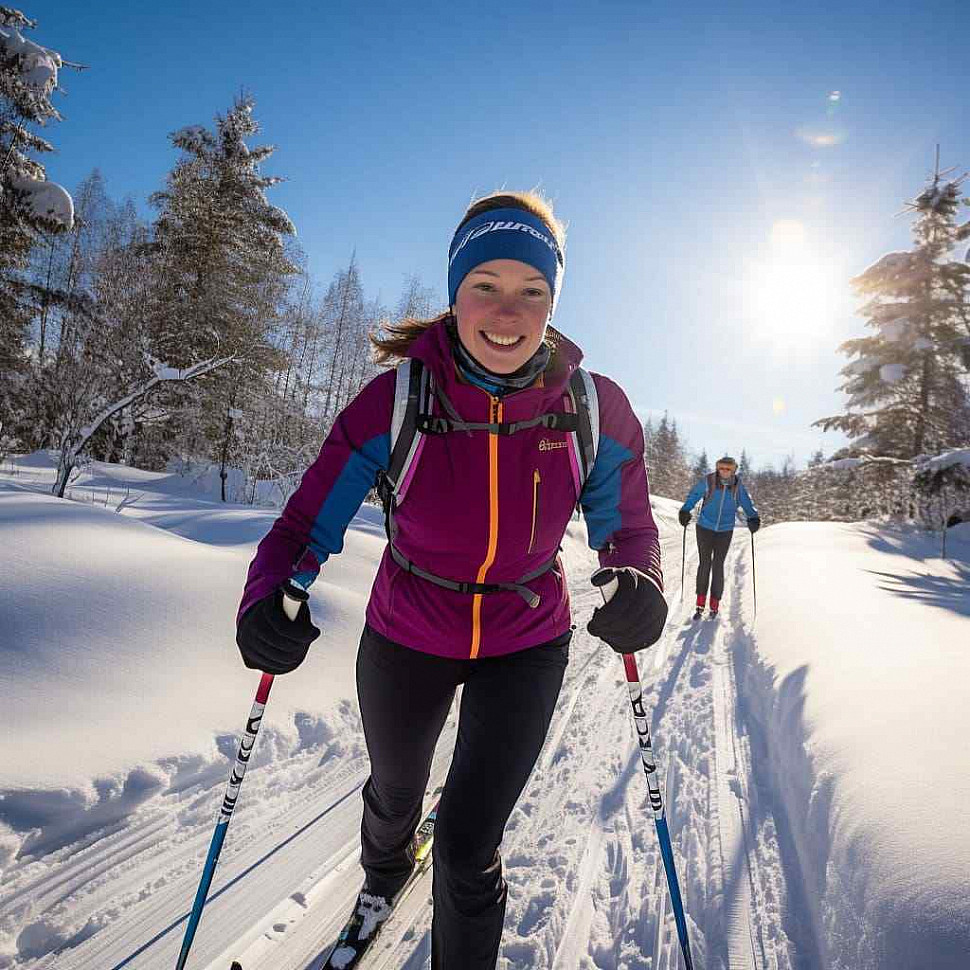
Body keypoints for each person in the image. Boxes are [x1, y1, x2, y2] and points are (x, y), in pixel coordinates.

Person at [235, 190, 668, 969]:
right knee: (395, 795)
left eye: (531, 291)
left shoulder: (593, 409)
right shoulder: (395, 401)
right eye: (486, 287)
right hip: (408, 630)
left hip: (526, 640)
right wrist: (269, 595)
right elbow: (304, 524)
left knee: (470, 850)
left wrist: (638, 579)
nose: (509, 312)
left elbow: (629, 526)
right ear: (454, 294)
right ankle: (384, 871)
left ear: (553, 301)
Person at [678, 455, 759, 619]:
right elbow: (694, 495)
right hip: (704, 527)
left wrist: (753, 517)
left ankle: (714, 604)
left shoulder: (737, 486)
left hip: (725, 530)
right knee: (705, 564)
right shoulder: (709, 481)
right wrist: (685, 510)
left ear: (734, 470)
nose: (724, 471)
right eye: (721, 467)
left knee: (718, 565)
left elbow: (746, 503)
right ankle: (700, 602)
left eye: (728, 468)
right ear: (717, 468)